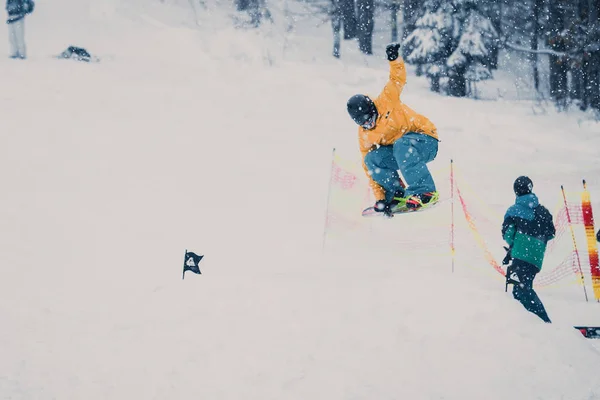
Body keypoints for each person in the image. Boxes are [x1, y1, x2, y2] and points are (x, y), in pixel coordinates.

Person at [346, 43, 439, 216]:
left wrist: (394, 59)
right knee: (372, 159)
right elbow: (369, 167)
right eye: (364, 124)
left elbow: (397, 79)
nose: (369, 125)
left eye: (370, 120)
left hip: (425, 141)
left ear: (373, 109)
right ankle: (395, 194)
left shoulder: (386, 101)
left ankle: (425, 191)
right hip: (403, 153)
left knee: (401, 144)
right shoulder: (365, 134)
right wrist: (380, 197)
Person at [502, 176, 555, 323]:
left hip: (520, 253)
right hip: (536, 258)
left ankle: (544, 322)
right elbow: (551, 233)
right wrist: (535, 242)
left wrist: (517, 243)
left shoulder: (513, 210)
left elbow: (507, 234)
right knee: (522, 287)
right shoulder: (543, 211)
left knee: (520, 289)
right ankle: (528, 323)